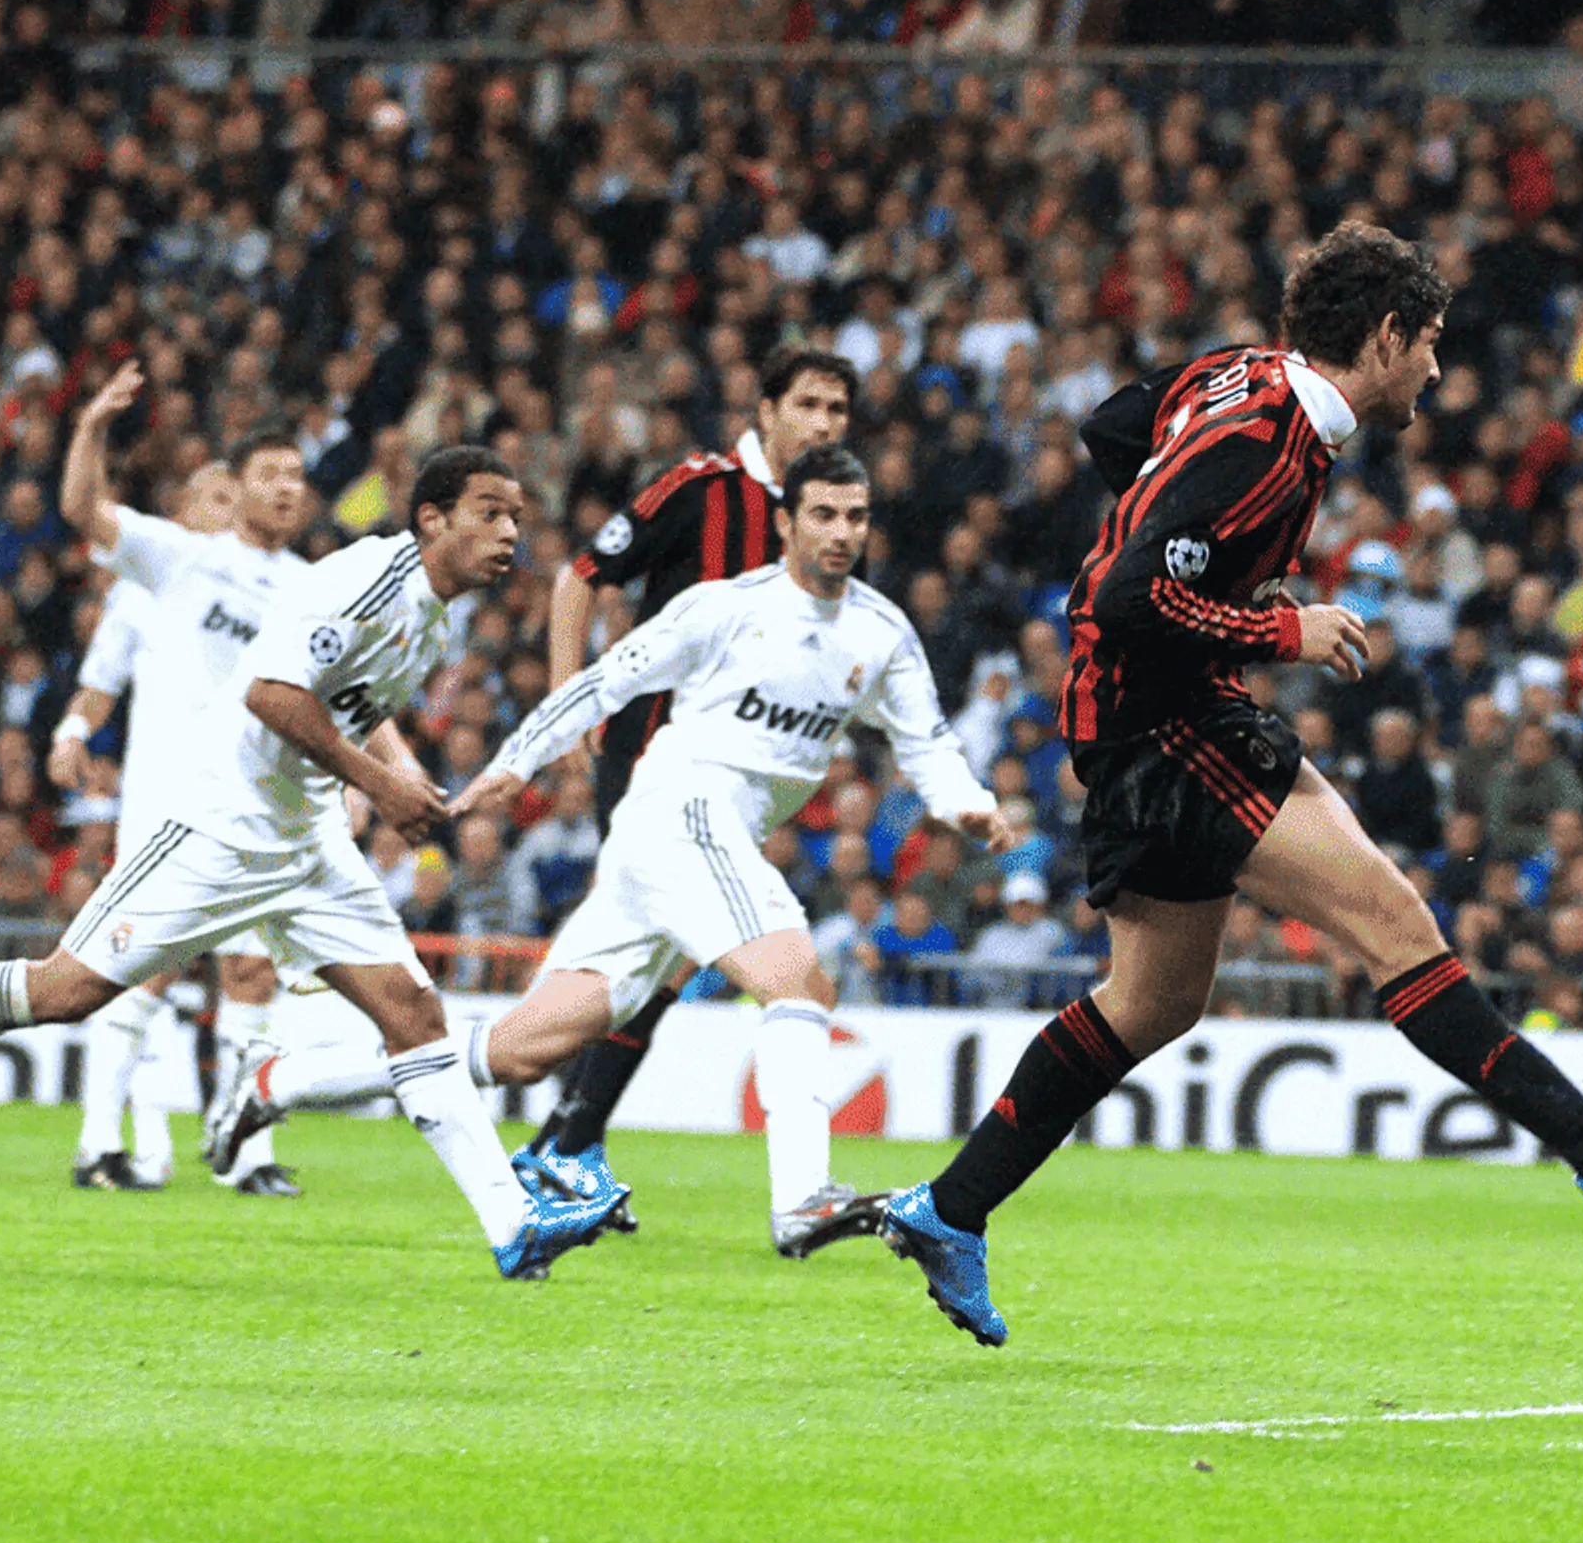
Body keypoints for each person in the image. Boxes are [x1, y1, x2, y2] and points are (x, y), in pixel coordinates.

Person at [875, 223, 1583, 1345]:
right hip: (1165, 722)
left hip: (1135, 718)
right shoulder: (1260, 438)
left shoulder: (1233, 376)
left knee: (1155, 1001)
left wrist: (1175, 539)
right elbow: (1118, 594)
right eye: (1431, 345)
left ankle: (950, 1207)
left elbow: (1113, 430)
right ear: (1387, 335)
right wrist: (1273, 621)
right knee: (1391, 919)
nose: (1438, 372)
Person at [0, 425, 620, 1279]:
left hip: (308, 842)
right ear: (433, 519)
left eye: (516, 517)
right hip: (218, 825)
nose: (511, 533)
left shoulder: (433, 622)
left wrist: (385, 785)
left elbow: (346, 712)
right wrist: (382, 781)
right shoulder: (367, 578)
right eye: (490, 514)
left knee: (414, 1018)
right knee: (65, 991)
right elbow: (270, 694)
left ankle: (514, 1227)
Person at [206, 445, 1011, 1257]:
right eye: (823, 515)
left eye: (856, 517)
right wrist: (513, 763)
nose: (841, 533)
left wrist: (967, 805)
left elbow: (929, 741)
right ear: (785, 522)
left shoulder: (884, 631)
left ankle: (283, 1079)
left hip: (687, 850)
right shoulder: (723, 608)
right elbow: (603, 684)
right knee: (796, 978)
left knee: (522, 1050)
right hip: (680, 811)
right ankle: (802, 1199)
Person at [512, 345, 855, 1220]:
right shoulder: (698, 490)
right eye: (809, 404)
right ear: (766, 408)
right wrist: (567, 702)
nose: (824, 423)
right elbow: (579, 578)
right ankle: (561, 1137)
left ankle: (563, 1140)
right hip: (651, 755)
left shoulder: (827, 520)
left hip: (734, 781)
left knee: (656, 960)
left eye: (838, 409)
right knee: (661, 954)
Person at [55, 376, 316, 1196]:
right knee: (142, 969)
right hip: (167, 805)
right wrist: (70, 734)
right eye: (207, 491)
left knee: (252, 975)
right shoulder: (153, 583)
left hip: (258, 811)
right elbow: (98, 687)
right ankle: (102, 1142)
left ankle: (245, 1153)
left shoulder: (306, 587)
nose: (210, 504)